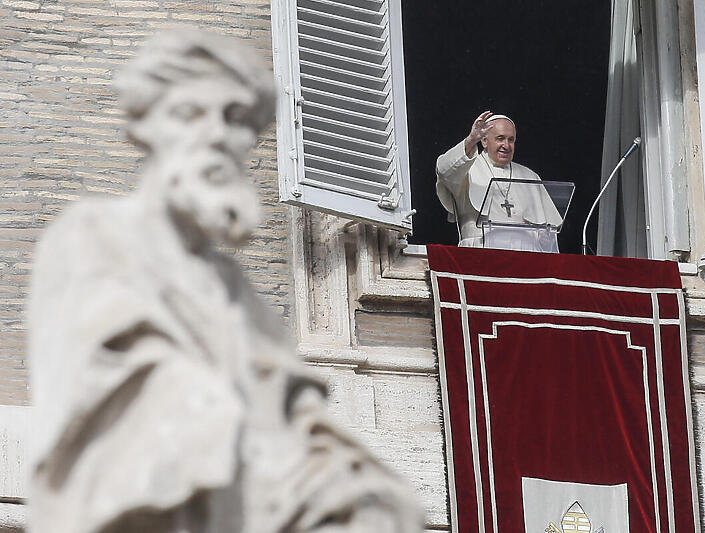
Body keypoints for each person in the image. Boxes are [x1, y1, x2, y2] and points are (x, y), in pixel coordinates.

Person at [27, 30, 421, 533]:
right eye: (190, 113)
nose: (214, 135)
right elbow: (119, 391)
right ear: (147, 127)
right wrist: (261, 444)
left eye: (233, 119)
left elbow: (298, 421)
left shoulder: (236, 292)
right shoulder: (93, 237)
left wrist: (356, 487)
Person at [435, 111, 562, 250]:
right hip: (480, 251)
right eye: (500, 138)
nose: (506, 145)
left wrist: (544, 237)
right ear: (484, 141)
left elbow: (549, 234)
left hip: (525, 256)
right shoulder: (466, 169)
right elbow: (443, 170)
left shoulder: (530, 176)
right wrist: (471, 139)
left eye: (511, 140)